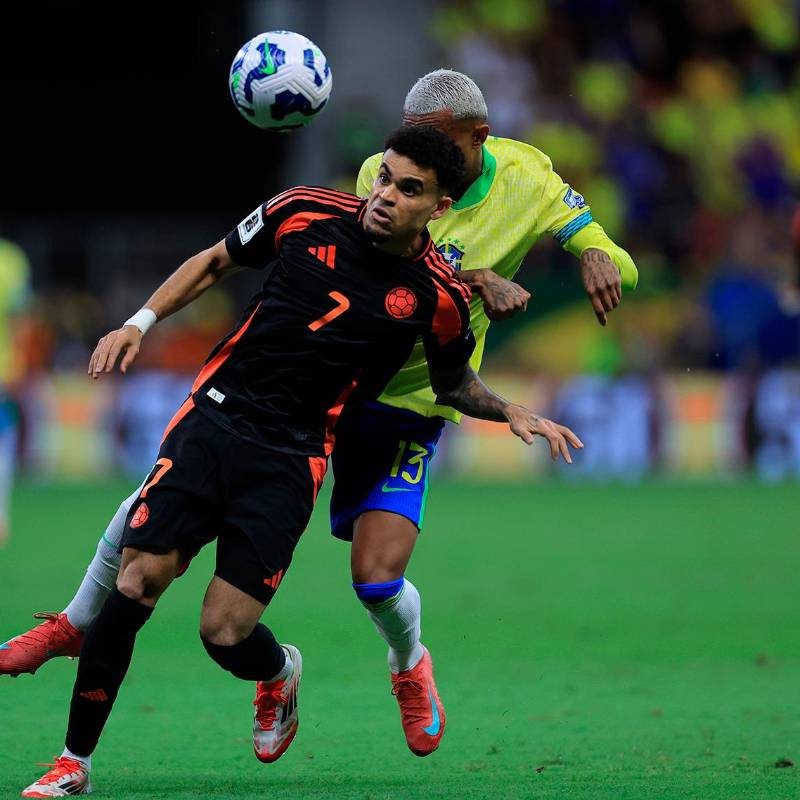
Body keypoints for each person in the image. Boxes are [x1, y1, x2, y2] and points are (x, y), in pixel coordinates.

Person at [1, 69, 633, 758]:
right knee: (167, 499)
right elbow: (375, 260)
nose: (398, 176)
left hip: (419, 399)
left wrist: (599, 253)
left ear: (476, 140)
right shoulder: (377, 177)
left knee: (374, 578)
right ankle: (74, 622)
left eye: (432, 149)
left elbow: (605, 262)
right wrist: (478, 278)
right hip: (336, 394)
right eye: (400, 158)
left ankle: (408, 665)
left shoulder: (529, 178)